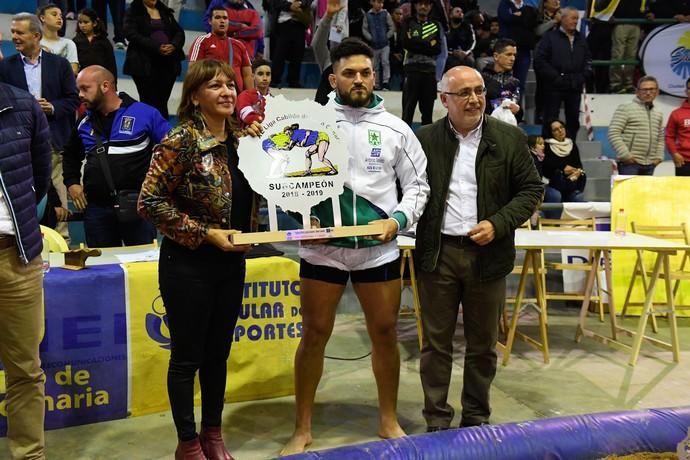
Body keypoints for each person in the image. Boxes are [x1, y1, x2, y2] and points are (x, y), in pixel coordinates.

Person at [280, 37, 430, 456]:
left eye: (365, 72)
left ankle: (388, 420)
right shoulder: (308, 123)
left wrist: (398, 220)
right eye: (349, 73)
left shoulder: (397, 128)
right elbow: (282, 183)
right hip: (322, 248)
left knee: (384, 333)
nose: (359, 79)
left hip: (376, 250)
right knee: (314, 334)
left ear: (375, 76)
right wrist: (301, 219)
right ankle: (302, 427)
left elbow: (418, 186)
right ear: (333, 78)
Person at [138, 59, 262, 460]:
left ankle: (213, 434)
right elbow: (149, 202)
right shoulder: (181, 141)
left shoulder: (247, 140)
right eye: (214, 86)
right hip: (188, 263)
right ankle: (188, 442)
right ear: (194, 97)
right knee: (187, 356)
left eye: (229, 84)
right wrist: (205, 233)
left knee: (217, 355)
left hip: (232, 263)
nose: (226, 91)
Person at [414, 66, 542, 431]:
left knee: (483, 345)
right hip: (437, 255)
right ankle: (436, 419)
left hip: (488, 256)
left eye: (479, 91)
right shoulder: (424, 140)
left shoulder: (508, 138)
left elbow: (531, 190)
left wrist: (498, 223)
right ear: (443, 100)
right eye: (464, 93)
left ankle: (475, 416)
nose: (474, 99)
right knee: (435, 345)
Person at [0, 81, 52, 460]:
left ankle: (29, 455)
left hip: (15, 256)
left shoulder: (21, 105)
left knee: (25, 370)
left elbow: (39, 172)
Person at [62, 65, 168, 247]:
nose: (79, 94)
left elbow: (173, 150)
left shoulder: (145, 113)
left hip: (138, 206)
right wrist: (72, 182)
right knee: (102, 269)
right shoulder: (84, 122)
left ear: (105, 86)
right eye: (78, 89)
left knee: (142, 266)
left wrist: (159, 188)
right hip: (97, 209)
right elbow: (70, 155)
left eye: (85, 88)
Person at [0, 13, 80, 243]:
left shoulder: (60, 65)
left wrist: (52, 107)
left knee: (59, 201)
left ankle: (62, 242)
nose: (14, 37)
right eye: (13, 32)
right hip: (19, 145)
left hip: (54, 141)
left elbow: (73, 99)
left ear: (36, 35)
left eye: (19, 32)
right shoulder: (6, 67)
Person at [534, 6, 591, 139]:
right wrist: (556, 77)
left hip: (575, 86)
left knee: (573, 120)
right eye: (572, 18)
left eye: (577, 18)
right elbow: (540, 61)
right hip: (554, 86)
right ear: (563, 19)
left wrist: (582, 77)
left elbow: (588, 60)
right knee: (550, 119)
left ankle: (570, 148)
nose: (575, 21)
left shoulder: (581, 39)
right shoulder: (550, 37)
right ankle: (549, 150)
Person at [123, 0, 185, 119]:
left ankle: (163, 133)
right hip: (143, 64)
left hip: (168, 64)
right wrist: (156, 47)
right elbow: (130, 33)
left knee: (162, 102)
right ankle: (147, 132)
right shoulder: (133, 12)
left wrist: (174, 45)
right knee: (149, 102)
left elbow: (179, 32)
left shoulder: (164, 11)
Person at [188, 6, 254, 92]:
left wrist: (250, 97)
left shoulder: (239, 45)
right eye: (217, 17)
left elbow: (247, 75)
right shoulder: (201, 42)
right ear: (210, 21)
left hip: (235, 97)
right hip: (211, 95)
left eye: (225, 18)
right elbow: (193, 71)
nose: (222, 21)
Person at [608, 75, 664, 176]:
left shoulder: (658, 112)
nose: (648, 93)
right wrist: (626, 156)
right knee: (628, 192)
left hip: (650, 164)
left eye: (651, 89)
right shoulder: (626, 107)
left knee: (646, 192)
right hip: (630, 164)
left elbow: (660, 137)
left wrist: (659, 157)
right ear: (637, 91)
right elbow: (613, 133)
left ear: (657, 91)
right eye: (644, 90)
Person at [401, 0, 442, 125]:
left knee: (427, 113)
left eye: (426, 4)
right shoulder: (408, 23)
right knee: (408, 112)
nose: (423, 6)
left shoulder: (436, 25)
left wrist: (416, 42)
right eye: (420, 3)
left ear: (430, 7)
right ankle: (404, 143)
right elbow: (405, 43)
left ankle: (427, 143)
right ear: (415, 5)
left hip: (429, 71)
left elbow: (437, 49)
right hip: (412, 70)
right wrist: (427, 44)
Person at [497, 0, 537, 96]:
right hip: (506, 49)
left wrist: (517, 16)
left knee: (520, 84)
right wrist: (522, 17)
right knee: (503, 82)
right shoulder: (504, 4)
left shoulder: (528, 7)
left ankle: (517, 108)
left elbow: (531, 22)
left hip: (524, 51)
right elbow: (506, 18)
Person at [270, 0, 313, 88]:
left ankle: (294, 80)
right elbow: (274, 3)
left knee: (297, 54)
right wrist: (289, 6)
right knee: (279, 54)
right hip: (283, 25)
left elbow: (308, 2)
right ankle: (274, 79)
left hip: (299, 24)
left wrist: (300, 4)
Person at [542, 118, 586, 203]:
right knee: (555, 195)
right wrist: (563, 169)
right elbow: (546, 168)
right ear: (551, 133)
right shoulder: (546, 145)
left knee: (578, 197)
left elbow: (578, 165)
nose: (560, 131)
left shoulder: (571, 144)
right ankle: (552, 217)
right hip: (552, 184)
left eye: (561, 127)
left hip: (570, 183)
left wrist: (577, 172)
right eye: (555, 130)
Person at [482, 38, 522, 123]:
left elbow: (519, 116)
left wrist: (518, 111)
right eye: (508, 54)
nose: (513, 59)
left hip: (508, 129)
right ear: (496, 56)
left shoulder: (514, 82)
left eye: (514, 55)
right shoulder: (482, 79)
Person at [72, 8, 118, 80]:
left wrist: (113, 85)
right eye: (80, 22)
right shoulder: (75, 41)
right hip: (81, 80)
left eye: (86, 22)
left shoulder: (104, 42)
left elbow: (111, 65)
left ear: (94, 23)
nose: (82, 25)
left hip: (100, 80)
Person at [38, 3, 79, 75]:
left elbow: (74, 71)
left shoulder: (68, 43)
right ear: (42, 18)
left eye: (61, 16)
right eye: (54, 15)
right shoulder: (35, 43)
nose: (59, 18)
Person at [362, 0, 395, 90]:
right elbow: (364, 29)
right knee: (375, 65)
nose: (380, 5)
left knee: (385, 62)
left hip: (384, 44)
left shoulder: (386, 14)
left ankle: (385, 82)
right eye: (378, 2)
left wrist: (386, 36)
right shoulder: (367, 15)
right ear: (372, 2)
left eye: (382, 3)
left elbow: (392, 27)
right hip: (373, 45)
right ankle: (376, 84)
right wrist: (370, 38)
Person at [665, 77, 690, 177]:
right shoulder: (676, 114)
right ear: (686, 91)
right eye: (689, 88)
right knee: (684, 192)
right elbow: (669, 137)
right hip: (683, 162)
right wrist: (674, 153)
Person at [236, 58, 271, 126]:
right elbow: (247, 116)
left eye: (268, 74)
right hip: (248, 135)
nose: (265, 78)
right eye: (260, 74)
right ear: (253, 76)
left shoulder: (274, 99)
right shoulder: (245, 96)